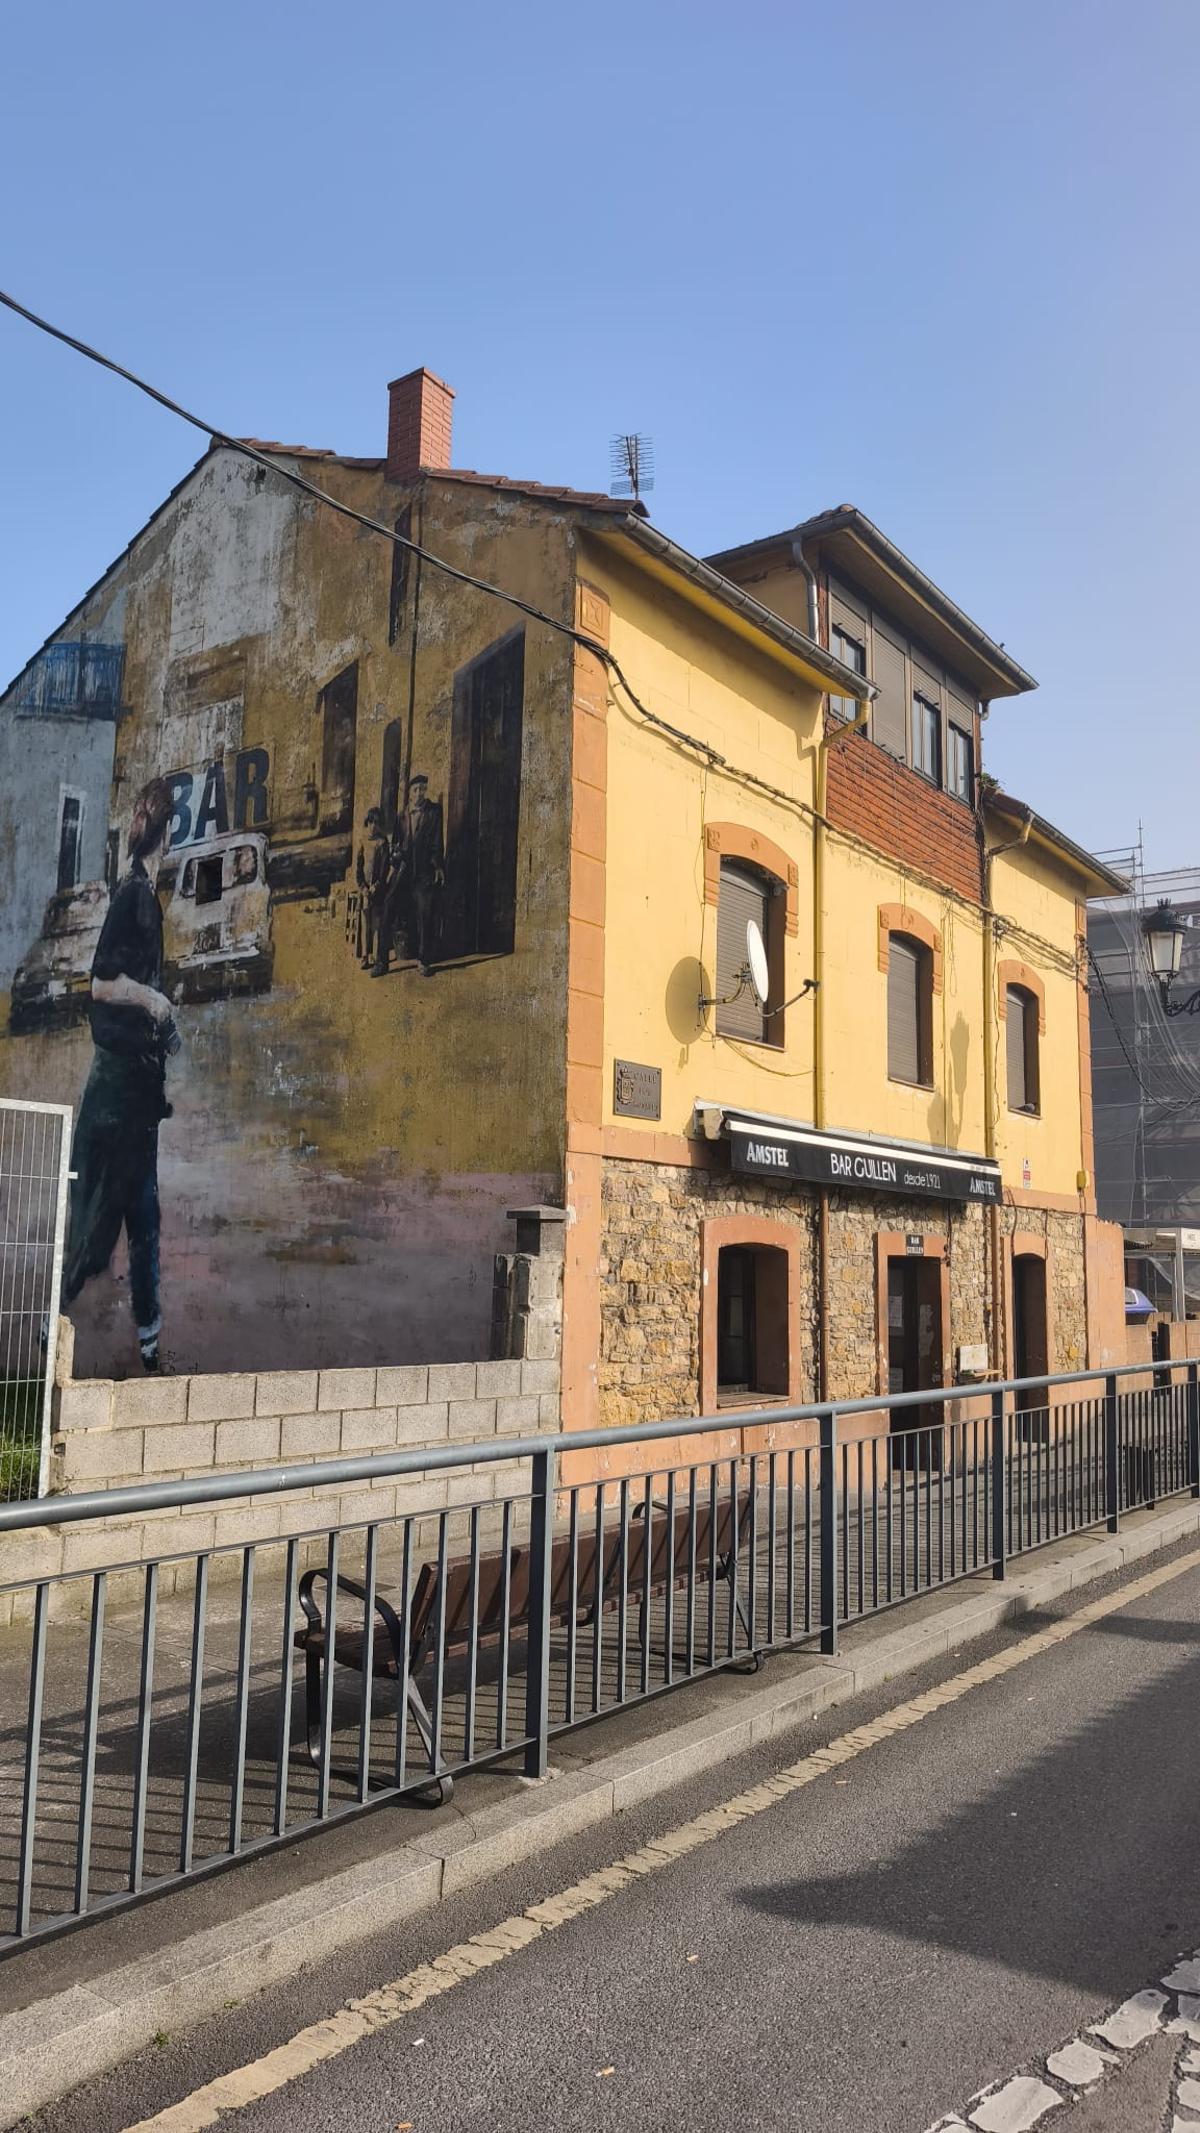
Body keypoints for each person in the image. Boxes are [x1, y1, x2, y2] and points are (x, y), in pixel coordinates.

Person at [62, 777, 178, 1373]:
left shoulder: (143, 896)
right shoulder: (134, 895)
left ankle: (152, 1346)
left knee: (141, 1216)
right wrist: (154, 1004)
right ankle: (49, 1322)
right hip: (118, 1096)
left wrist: (163, 1028)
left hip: (134, 1092)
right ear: (170, 835)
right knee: (98, 1222)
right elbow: (102, 984)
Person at [392, 773, 444, 977]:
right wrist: (395, 860)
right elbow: (395, 844)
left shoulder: (434, 812)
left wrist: (438, 866)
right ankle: (380, 961)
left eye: (423, 789)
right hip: (404, 870)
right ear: (410, 794)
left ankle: (424, 960)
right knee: (388, 904)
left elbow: (438, 844)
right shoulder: (401, 816)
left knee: (425, 912)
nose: (419, 793)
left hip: (424, 872)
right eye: (415, 790)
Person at [355, 807, 390, 968]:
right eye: (370, 822)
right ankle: (364, 956)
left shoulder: (382, 842)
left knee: (376, 924)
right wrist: (362, 887)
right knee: (365, 923)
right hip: (365, 891)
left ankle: (376, 956)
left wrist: (377, 885)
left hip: (377, 890)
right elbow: (359, 867)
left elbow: (384, 868)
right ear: (367, 823)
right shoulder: (362, 841)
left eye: (376, 823)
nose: (373, 826)